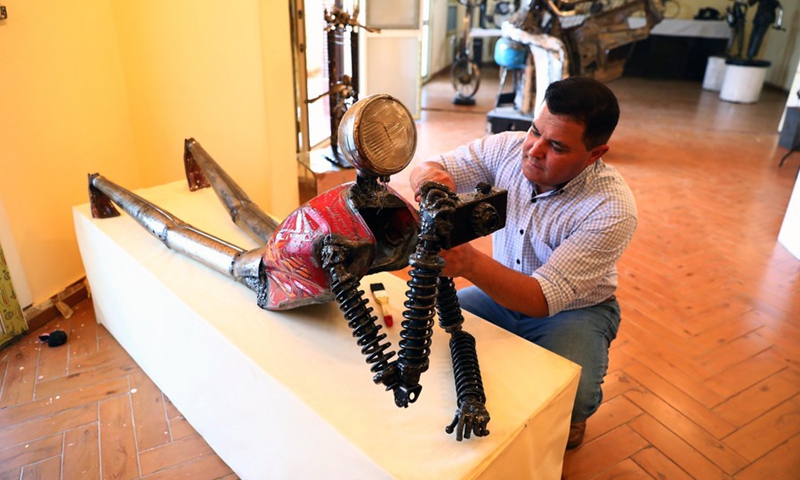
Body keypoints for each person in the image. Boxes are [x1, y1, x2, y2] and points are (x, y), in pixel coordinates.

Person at [409, 76, 637, 450]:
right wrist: (430, 181)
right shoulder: (508, 147)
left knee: (572, 396)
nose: (534, 149)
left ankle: (573, 420)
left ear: (595, 154)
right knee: (432, 332)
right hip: (500, 295)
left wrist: (468, 262)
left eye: (557, 146)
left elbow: (541, 300)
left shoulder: (611, 208)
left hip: (573, 311)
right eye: (535, 131)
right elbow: (431, 165)